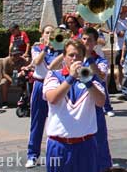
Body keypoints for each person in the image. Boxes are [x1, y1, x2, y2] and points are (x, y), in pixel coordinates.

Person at [43, 39, 106, 172]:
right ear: (64, 57)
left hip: (85, 145)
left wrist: (88, 82)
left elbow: (100, 102)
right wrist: (70, 78)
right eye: (71, 55)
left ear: (83, 58)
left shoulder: (92, 78)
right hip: (58, 144)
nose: (74, 59)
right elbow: (52, 98)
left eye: (78, 55)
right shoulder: (54, 75)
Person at [25, 25, 64, 168]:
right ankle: (32, 155)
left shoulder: (61, 50)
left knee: (57, 120)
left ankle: (55, 154)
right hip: (40, 85)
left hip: (55, 86)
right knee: (37, 121)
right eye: (47, 33)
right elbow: (36, 62)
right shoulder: (37, 48)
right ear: (42, 35)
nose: (49, 35)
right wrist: (46, 47)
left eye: (52, 33)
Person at [81, 28, 113, 172]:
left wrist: (89, 58)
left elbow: (101, 76)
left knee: (100, 140)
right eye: (84, 39)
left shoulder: (100, 60)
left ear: (95, 43)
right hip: (79, 106)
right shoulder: (73, 58)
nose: (86, 42)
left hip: (95, 105)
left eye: (89, 40)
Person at [114, 6, 127, 91]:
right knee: (120, 67)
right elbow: (120, 34)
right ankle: (119, 84)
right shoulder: (118, 22)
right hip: (120, 47)